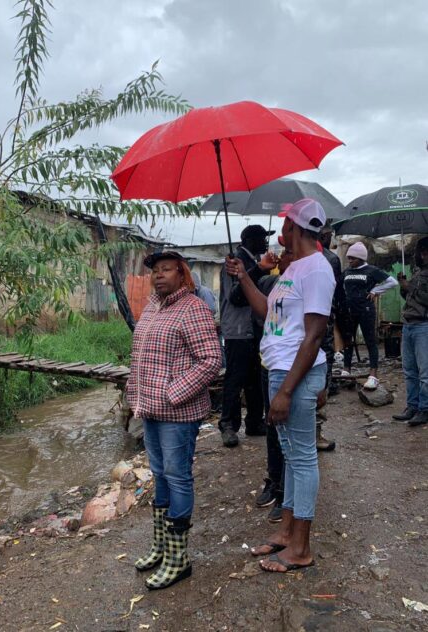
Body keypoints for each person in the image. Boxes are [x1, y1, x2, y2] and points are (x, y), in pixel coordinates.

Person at [226, 198, 335, 573]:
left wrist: (287, 390)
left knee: (302, 458)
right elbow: (266, 311)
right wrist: (243, 275)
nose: (280, 230)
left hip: (295, 375)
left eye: (285, 223)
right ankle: (287, 532)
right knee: (290, 455)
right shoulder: (293, 269)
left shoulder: (316, 270)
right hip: (280, 370)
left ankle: (301, 547)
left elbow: (315, 334)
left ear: (296, 228)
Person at [126, 251, 222, 590]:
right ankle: (162, 547)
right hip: (150, 408)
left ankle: (179, 559)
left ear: (182, 274)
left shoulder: (194, 308)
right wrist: (136, 395)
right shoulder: (152, 306)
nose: (159, 275)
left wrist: (173, 392)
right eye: (155, 271)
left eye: (167, 269)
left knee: (177, 477)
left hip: (178, 413)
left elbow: (211, 360)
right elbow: (141, 356)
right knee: (160, 476)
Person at [218, 224, 275, 447]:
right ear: (249, 240)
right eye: (262, 238)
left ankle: (253, 421)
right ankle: (228, 425)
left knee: (255, 377)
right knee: (235, 378)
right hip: (238, 330)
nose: (265, 242)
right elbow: (237, 297)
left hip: (255, 328)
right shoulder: (234, 262)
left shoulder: (253, 262)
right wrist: (258, 270)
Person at [255, 247, 295, 523]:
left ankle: (287, 496)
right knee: (272, 427)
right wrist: (256, 270)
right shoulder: (270, 281)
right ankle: (275, 483)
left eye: (289, 251)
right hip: (268, 363)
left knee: (292, 436)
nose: (283, 256)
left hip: (296, 367)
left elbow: (321, 329)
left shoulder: (310, 280)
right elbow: (237, 296)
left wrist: (324, 381)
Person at [340, 242, 398, 390]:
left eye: (353, 257)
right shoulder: (346, 272)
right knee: (348, 340)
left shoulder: (371, 270)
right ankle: (346, 370)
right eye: (349, 257)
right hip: (349, 310)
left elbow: (392, 282)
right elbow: (339, 287)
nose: (350, 260)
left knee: (370, 341)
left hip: (365, 310)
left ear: (361, 258)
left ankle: (373, 375)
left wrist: (375, 291)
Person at [393, 237, 428, 426]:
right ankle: (412, 406)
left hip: (424, 325)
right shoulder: (417, 271)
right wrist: (403, 286)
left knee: (425, 372)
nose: (423, 255)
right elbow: (409, 297)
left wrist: (410, 287)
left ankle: (424, 409)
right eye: (421, 251)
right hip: (409, 324)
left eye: (425, 251)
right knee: (409, 370)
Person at [315, 223, 341, 452]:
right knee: (322, 377)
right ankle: (316, 432)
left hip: (305, 324)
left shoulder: (295, 256)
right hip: (322, 324)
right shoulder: (329, 259)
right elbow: (336, 295)